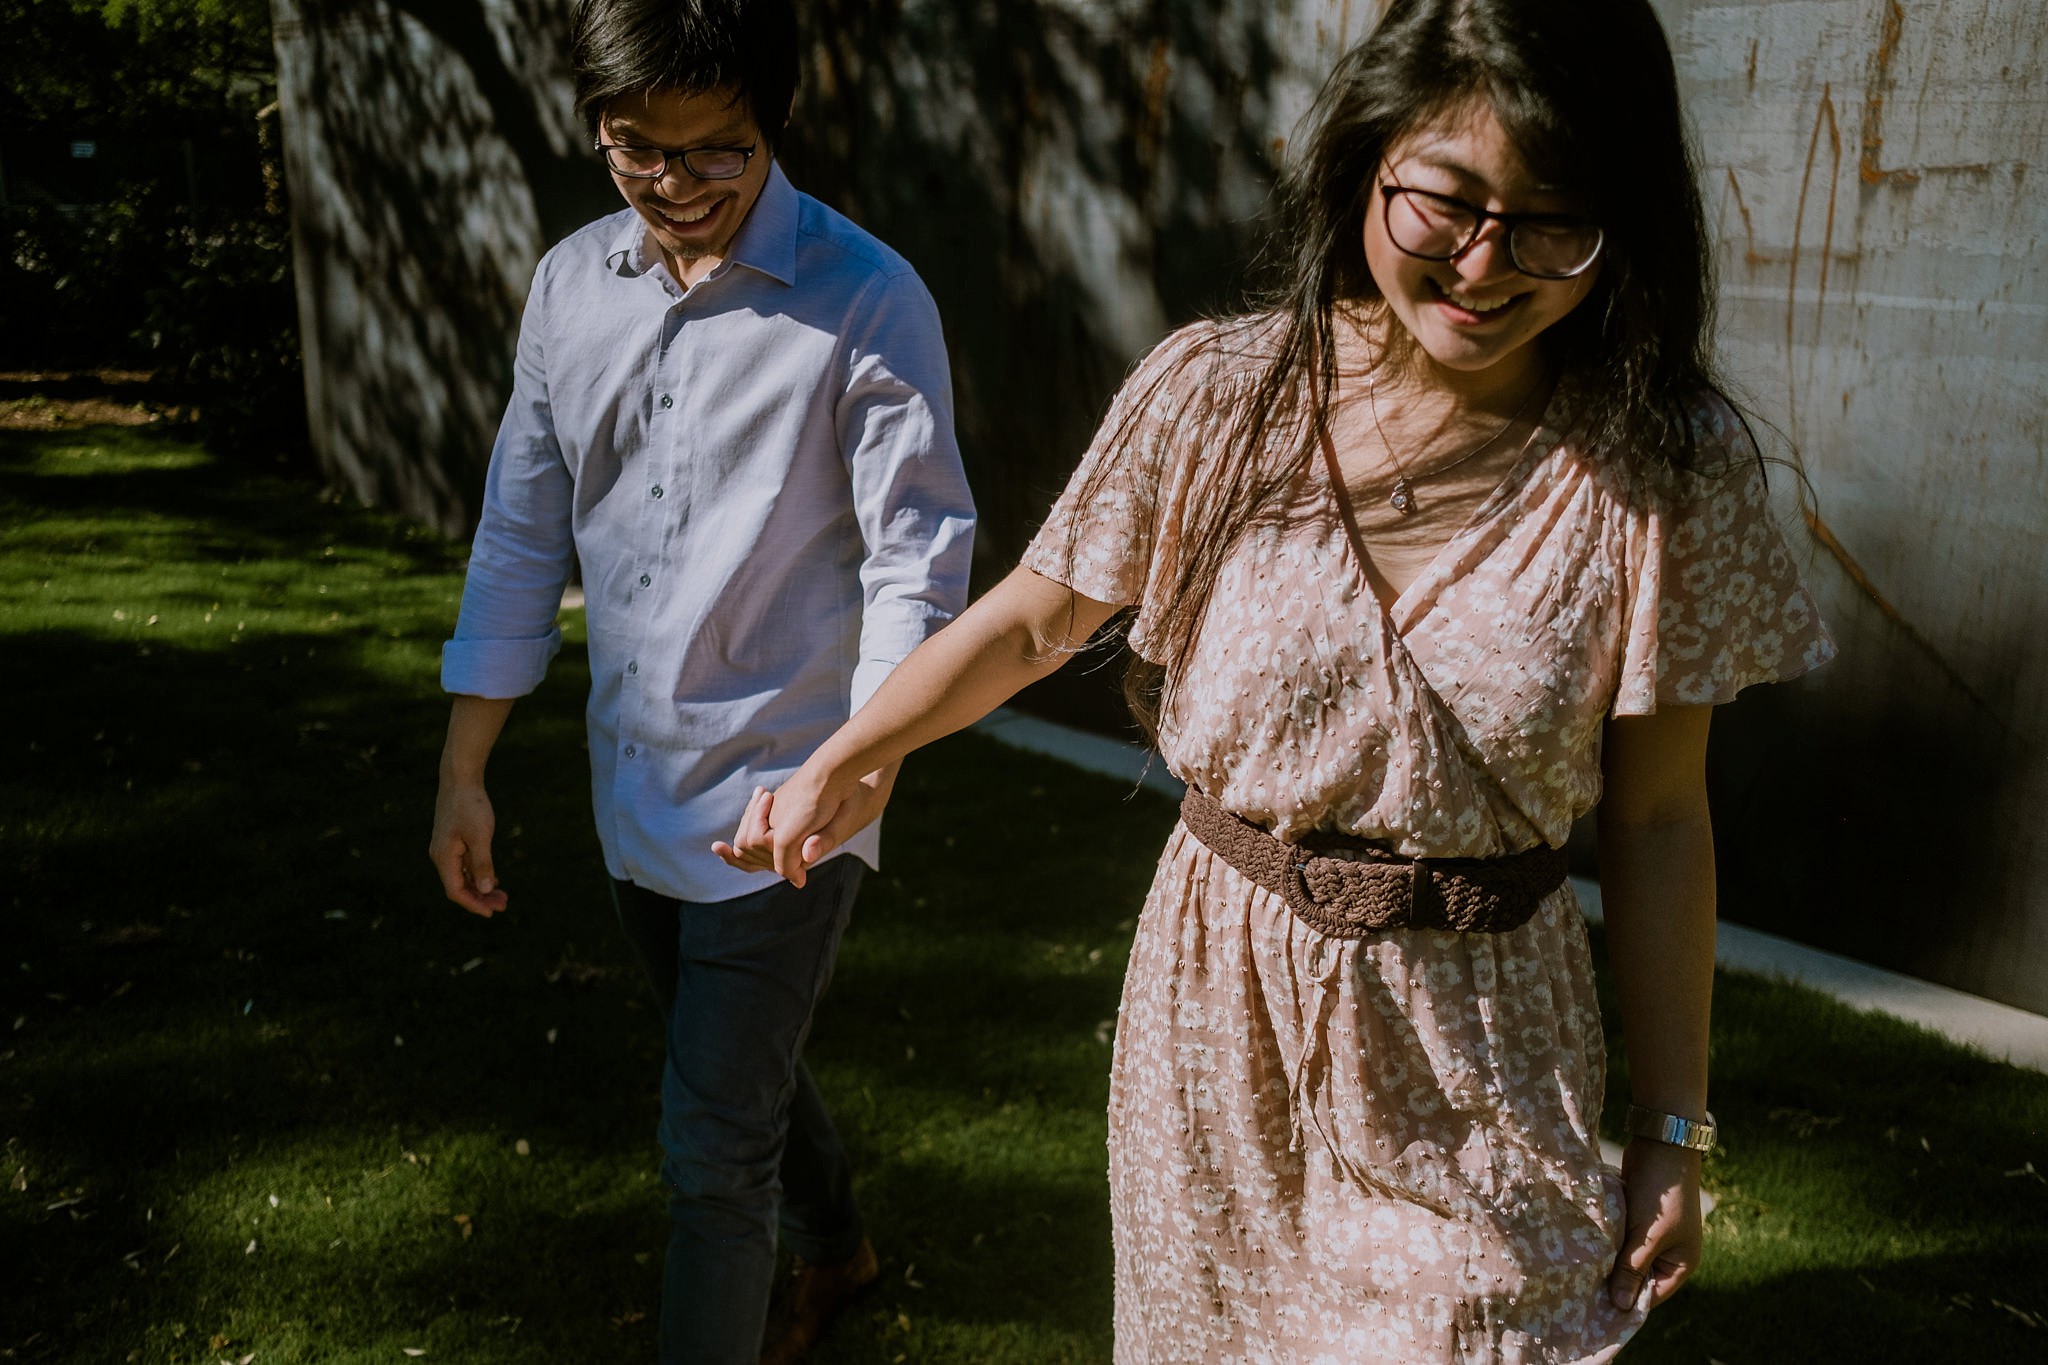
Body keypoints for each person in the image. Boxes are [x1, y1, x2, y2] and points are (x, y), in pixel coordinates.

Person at [718, 0, 1833, 1359]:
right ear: (1368, 160)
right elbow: (1035, 617)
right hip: (1222, 1022)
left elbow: (1661, 820)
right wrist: (855, 750)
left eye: (1554, 220)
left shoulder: (1668, 466)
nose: (1488, 261)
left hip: (1482, 1042)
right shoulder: (1217, 391)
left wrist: (1670, 1126)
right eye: (1450, 199)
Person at [425, 1, 975, 1360]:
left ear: (773, 123)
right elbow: (520, 527)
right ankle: (841, 1245)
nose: (676, 186)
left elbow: (920, 564)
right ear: (599, 128)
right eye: (636, 150)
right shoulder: (568, 286)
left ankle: (792, 1263)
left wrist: (862, 763)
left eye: (715, 152)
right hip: (633, 784)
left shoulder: (870, 296)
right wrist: (464, 764)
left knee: (710, 1153)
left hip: (795, 793)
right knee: (733, 1067)